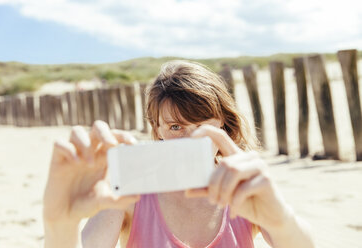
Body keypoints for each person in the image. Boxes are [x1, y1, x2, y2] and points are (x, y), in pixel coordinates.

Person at [43, 61, 315, 248]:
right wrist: (60, 226)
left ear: (222, 122)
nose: (191, 139)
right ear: (158, 130)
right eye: (176, 126)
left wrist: (280, 218)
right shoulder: (131, 193)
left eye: (202, 125)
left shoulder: (242, 188)